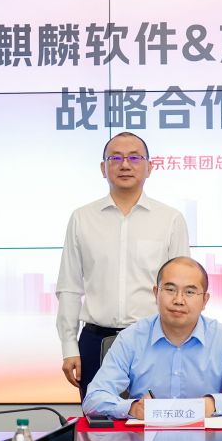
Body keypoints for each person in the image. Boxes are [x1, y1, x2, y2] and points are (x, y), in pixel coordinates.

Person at [56, 132, 190, 399]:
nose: (125, 165)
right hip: (95, 341)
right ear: (102, 168)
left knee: (154, 419)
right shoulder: (82, 218)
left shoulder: (170, 219)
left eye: (134, 158)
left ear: (149, 167)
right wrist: (69, 347)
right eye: (115, 158)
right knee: (98, 421)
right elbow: (69, 287)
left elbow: (183, 289)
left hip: (153, 341)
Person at [83, 257, 222, 419]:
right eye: (170, 289)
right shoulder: (130, 338)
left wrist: (212, 404)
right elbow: (93, 399)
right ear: (156, 293)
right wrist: (132, 408)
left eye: (190, 292)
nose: (178, 300)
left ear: (205, 300)